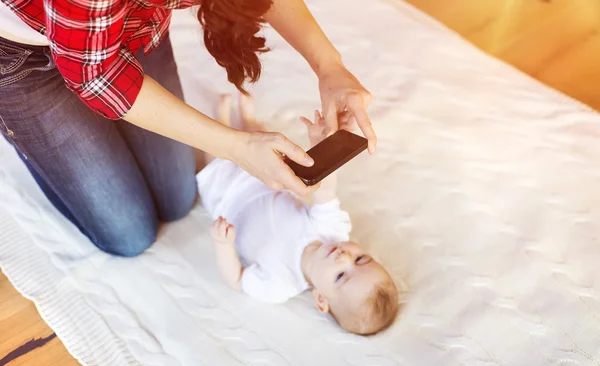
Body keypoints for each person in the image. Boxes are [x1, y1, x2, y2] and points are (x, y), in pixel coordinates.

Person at [0, 0, 376, 256]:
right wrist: (236, 146)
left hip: (126, 27)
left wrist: (329, 66)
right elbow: (96, 78)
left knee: (178, 200)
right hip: (25, 56)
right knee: (130, 237)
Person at [201, 95, 398, 335]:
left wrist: (223, 244)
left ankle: (219, 119)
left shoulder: (280, 284)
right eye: (361, 259)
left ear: (321, 300)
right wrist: (322, 147)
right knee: (268, 149)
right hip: (267, 182)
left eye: (340, 276)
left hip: (228, 200)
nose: (345, 257)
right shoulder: (332, 231)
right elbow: (325, 190)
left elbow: (237, 280)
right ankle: (248, 119)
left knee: (216, 160)